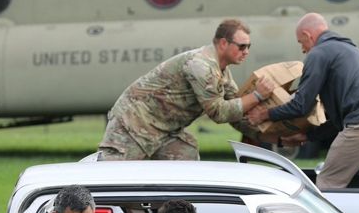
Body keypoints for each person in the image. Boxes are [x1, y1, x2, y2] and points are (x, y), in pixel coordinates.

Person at [247, 12, 359, 189]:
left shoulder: (319, 53)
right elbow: (338, 119)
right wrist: (308, 136)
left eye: (301, 42)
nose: (303, 49)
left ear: (308, 35)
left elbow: (301, 105)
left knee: (327, 184)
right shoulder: (351, 50)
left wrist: (265, 114)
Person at [98, 19, 277, 161]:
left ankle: (170, 208)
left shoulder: (221, 71)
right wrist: (257, 95)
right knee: (109, 182)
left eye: (249, 47)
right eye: (242, 46)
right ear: (223, 43)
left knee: (186, 164)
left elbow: (237, 112)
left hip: (165, 130)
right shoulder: (201, 66)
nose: (246, 52)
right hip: (134, 124)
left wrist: (278, 136)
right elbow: (219, 112)